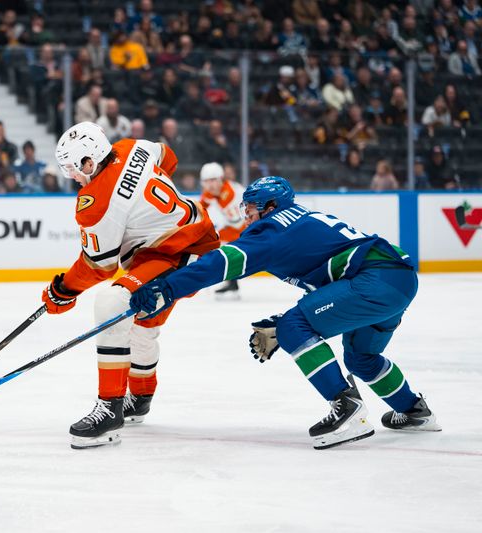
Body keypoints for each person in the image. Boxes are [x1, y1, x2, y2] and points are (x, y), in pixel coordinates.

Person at [130, 176, 440, 450]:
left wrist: (167, 288)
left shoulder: (272, 229)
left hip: (373, 280)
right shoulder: (302, 218)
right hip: (398, 278)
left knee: (294, 326)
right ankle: (415, 411)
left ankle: (347, 408)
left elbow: (220, 263)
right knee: (361, 358)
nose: (247, 216)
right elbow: (332, 281)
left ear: (270, 205)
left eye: (251, 208)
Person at [43, 122, 220, 449]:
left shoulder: (95, 200)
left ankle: (109, 409)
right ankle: (139, 398)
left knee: (111, 304)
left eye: (73, 169)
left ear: (88, 161)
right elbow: (169, 156)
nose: (73, 177)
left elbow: (99, 266)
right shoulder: (130, 146)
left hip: (173, 253)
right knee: (142, 321)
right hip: (197, 238)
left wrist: (63, 290)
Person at [199, 162, 247, 299]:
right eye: (207, 181)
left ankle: (231, 282)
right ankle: (232, 283)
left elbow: (238, 227)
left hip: (250, 226)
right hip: (242, 224)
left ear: (221, 179)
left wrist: (212, 235)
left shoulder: (229, 195)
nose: (210, 185)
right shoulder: (214, 191)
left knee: (221, 246)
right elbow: (200, 209)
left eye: (213, 180)